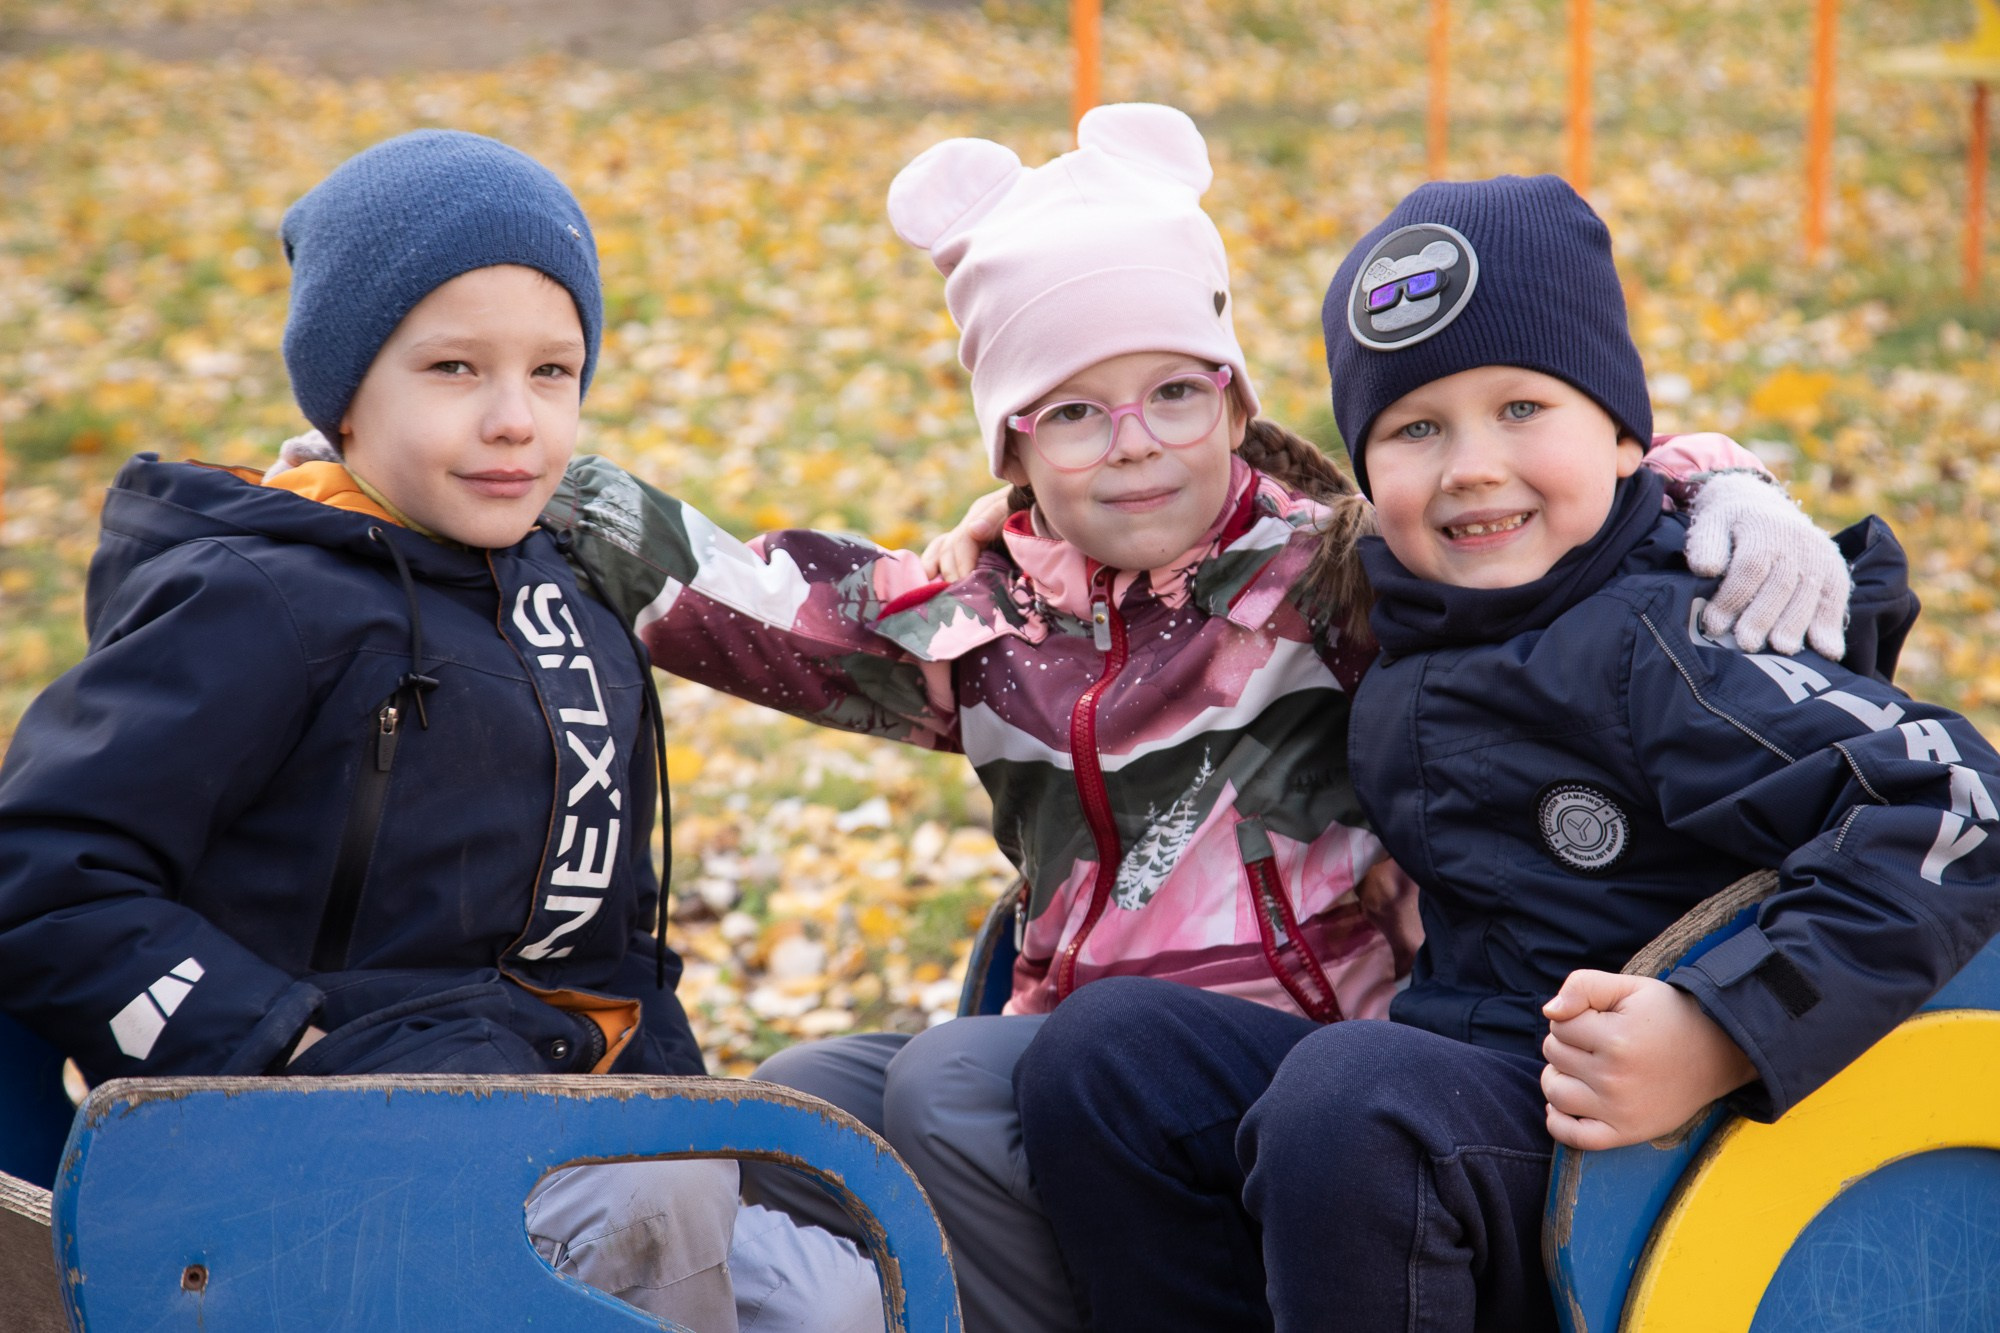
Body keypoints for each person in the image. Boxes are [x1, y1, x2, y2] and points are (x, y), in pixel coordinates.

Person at [531, 108, 1850, 1333]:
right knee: (810, 1095)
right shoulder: (989, 617)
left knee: (950, 1087)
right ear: (1017, 449)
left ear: (1232, 401)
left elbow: (1529, 497)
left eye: (1175, 394)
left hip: (1300, 1055)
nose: (1135, 444)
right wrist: (533, 482)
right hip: (1076, 1039)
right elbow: (774, 612)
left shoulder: (1329, 572)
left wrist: (1722, 483)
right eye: (1075, 413)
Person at [1011, 174, 2000, 1332]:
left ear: (1629, 434)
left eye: (1522, 408)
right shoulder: (1404, 620)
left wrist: (1719, 1026)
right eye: (1416, 428)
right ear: (1367, 477)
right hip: (1474, 1079)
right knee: (1104, 1055)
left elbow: (1954, 805)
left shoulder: (1669, 638)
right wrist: (1013, 531)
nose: (1471, 464)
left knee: (1351, 1098)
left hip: (1657, 1140)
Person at [0, 130, 880, 1333]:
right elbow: (45, 879)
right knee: (665, 1209)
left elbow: (606, 942)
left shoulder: (569, 600)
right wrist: (285, 1042)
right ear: (346, 392)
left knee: (842, 1279)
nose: (515, 420)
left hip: (553, 1112)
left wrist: (681, 1100)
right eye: (455, 368)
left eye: (554, 372)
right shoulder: (252, 600)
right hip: (305, 1155)